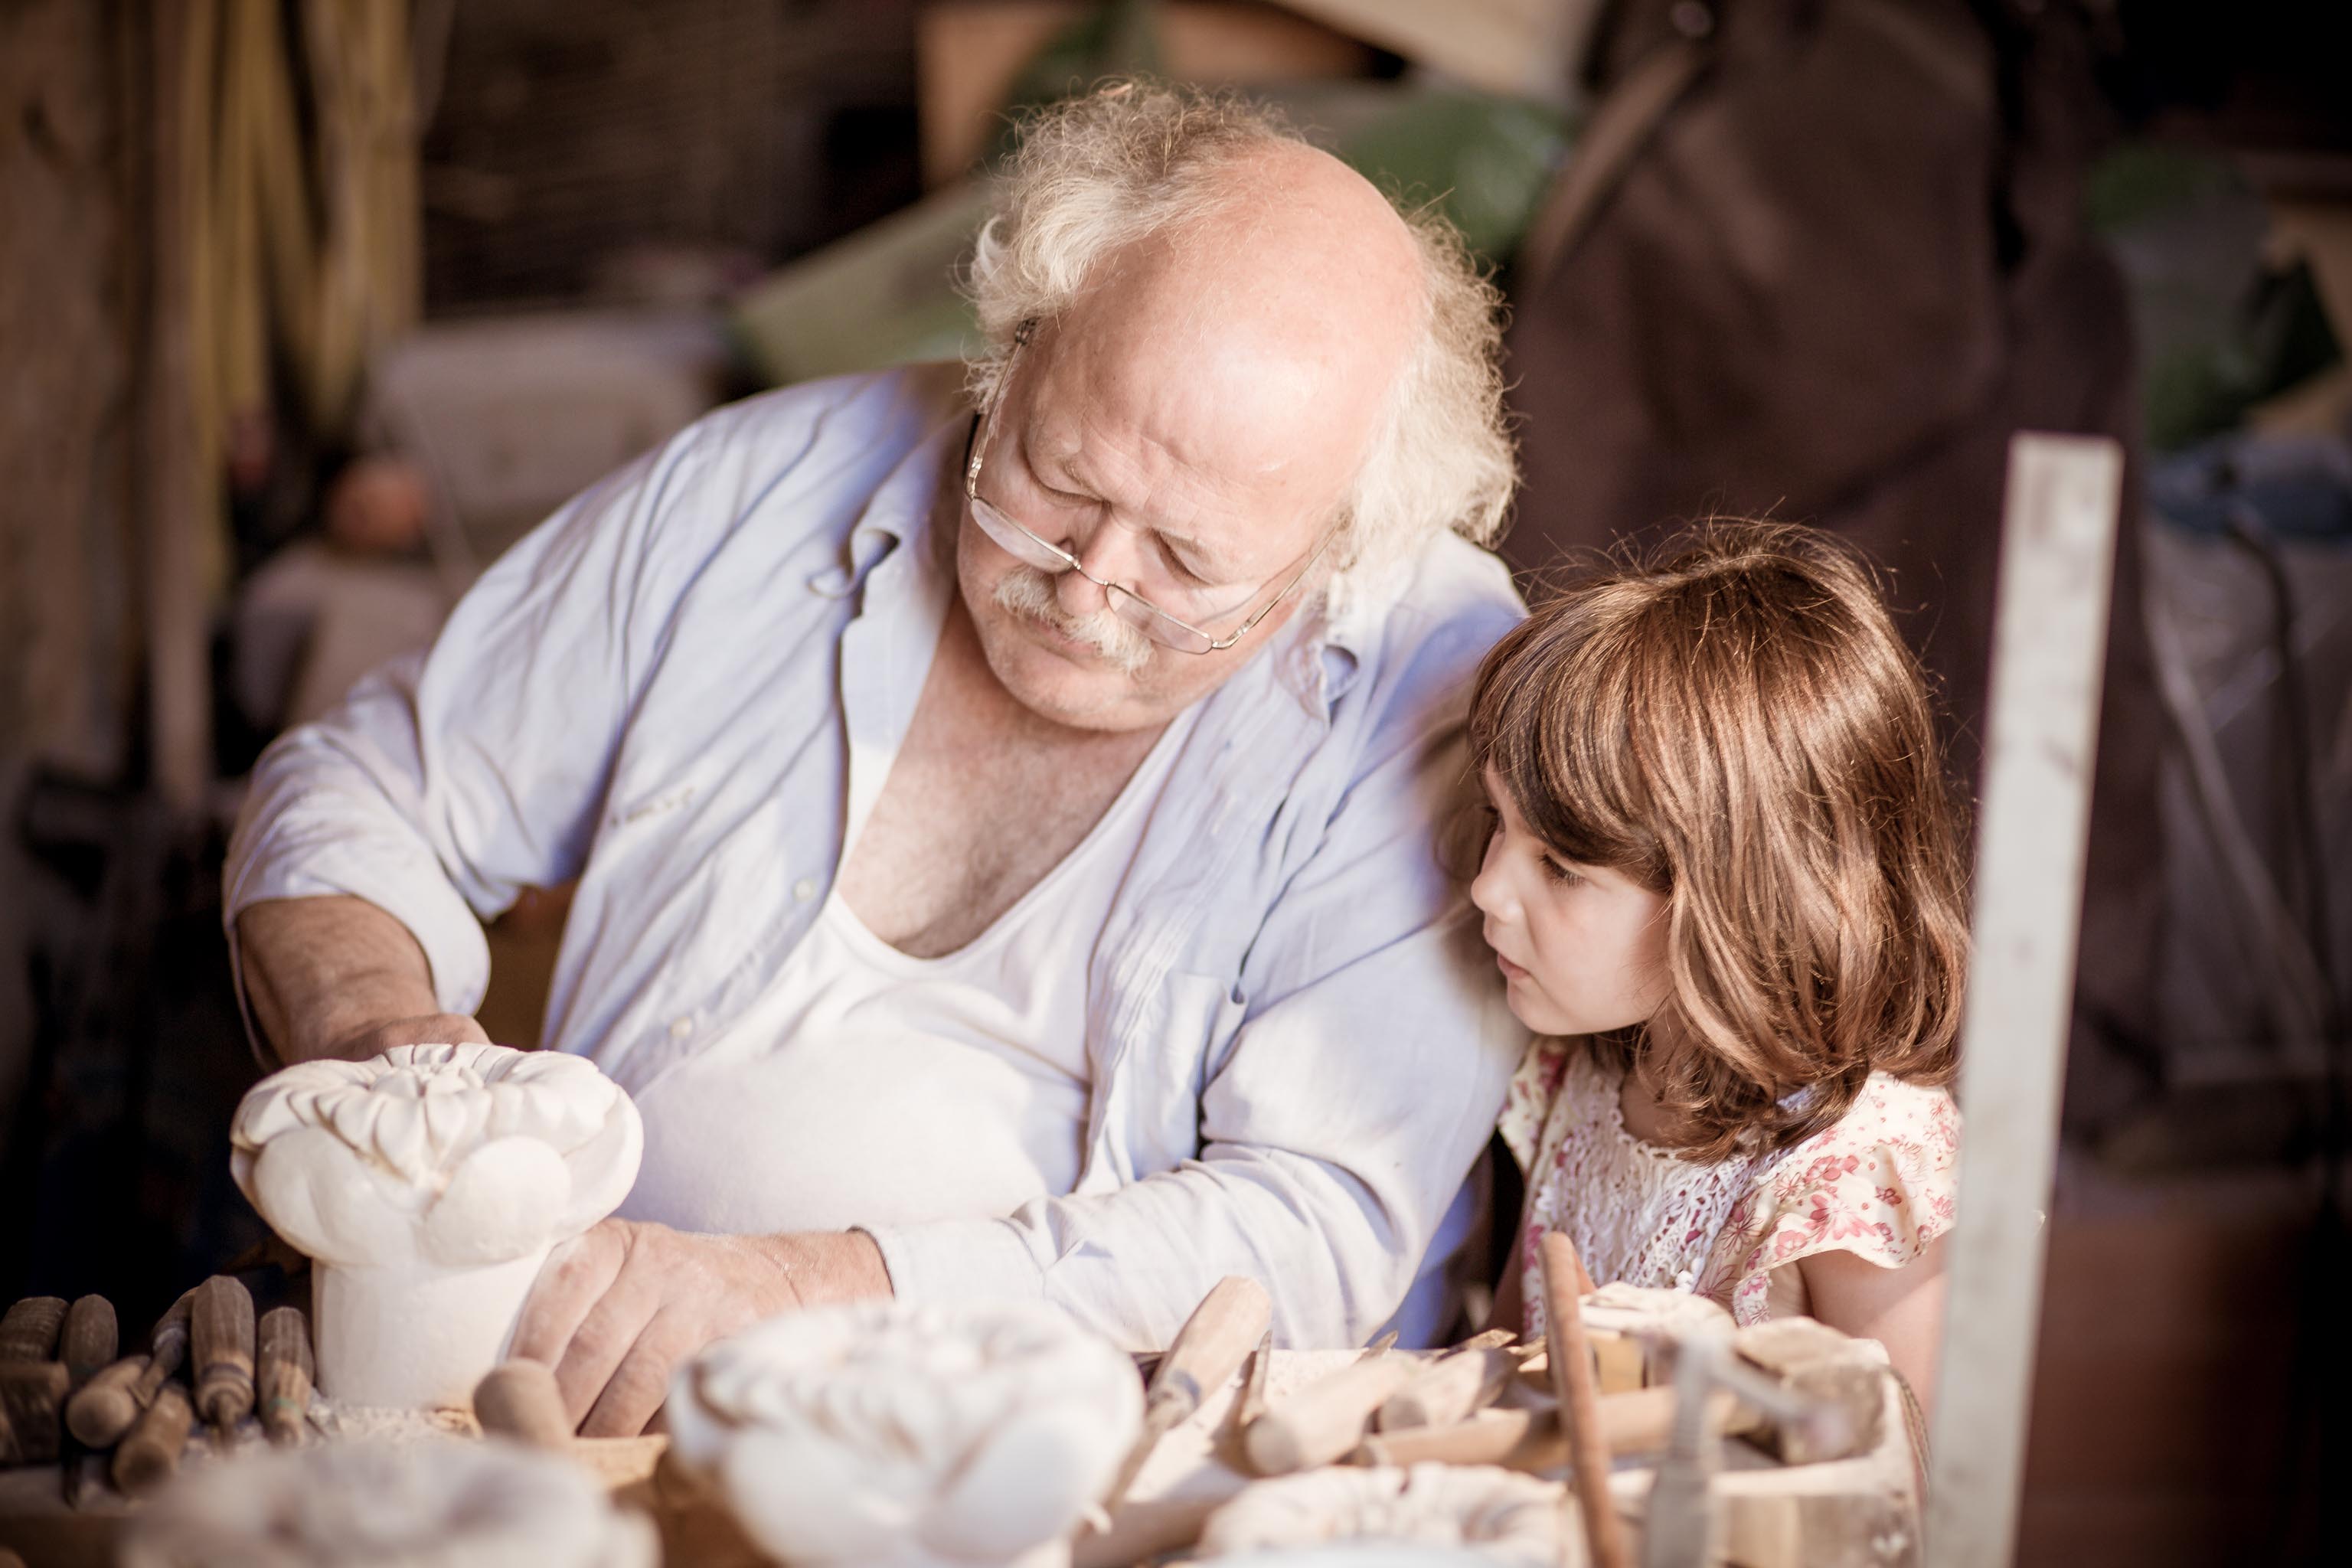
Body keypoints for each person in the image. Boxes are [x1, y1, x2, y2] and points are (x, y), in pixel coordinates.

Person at [223, 82, 1529, 1435]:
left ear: (1339, 543)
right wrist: (377, 1043)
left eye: (1187, 564)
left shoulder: (1431, 672)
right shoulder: (754, 492)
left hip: (1115, 1482)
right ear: (1011, 353)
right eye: (1056, 484)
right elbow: (363, 784)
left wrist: (818, 1290)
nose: (1087, 593)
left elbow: (1312, 1226)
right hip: (582, 1428)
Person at [1468, 523, 1965, 1406]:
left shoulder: (1855, 1174)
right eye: (1497, 822)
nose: (1486, 888)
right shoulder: (1579, 1072)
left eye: (1562, 866)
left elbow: (1895, 1498)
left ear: (1741, 902)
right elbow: (1509, 1363)